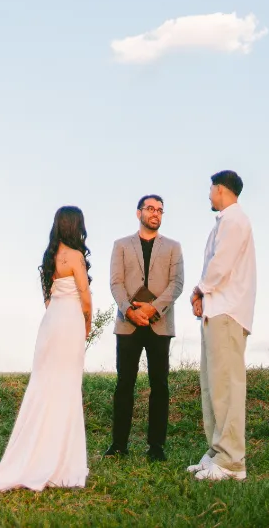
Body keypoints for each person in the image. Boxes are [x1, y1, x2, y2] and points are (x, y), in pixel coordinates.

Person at [0, 206, 92, 492]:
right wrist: (87, 324)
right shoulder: (76, 257)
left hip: (51, 323)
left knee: (43, 387)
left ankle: (37, 454)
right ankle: (61, 462)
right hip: (69, 322)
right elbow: (85, 297)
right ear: (76, 226)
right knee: (67, 387)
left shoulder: (50, 259)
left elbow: (48, 300)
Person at [187, 171, 256, 483]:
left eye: (211, 189)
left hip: (227, 311)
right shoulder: (225, 222)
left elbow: (220, 265)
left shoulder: (234, 221)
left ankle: (232, 462)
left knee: (226, 385)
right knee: (212, 385)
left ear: (221, 190)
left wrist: (199, 290)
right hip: (217, 311)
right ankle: (217, 452)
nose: (209, 195)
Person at [106, 194, 184, 461]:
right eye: (150, 208)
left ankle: (156, 447)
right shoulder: (121, 245)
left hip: (158, 324)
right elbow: (115, 283)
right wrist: (129, 310)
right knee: (124, 384)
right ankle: (118, 446)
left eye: (160, 210)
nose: (156, 214)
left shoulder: (173, 247)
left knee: (159, 385)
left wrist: (152, 309)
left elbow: (176, 284)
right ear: (138, 213)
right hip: (128, 324)